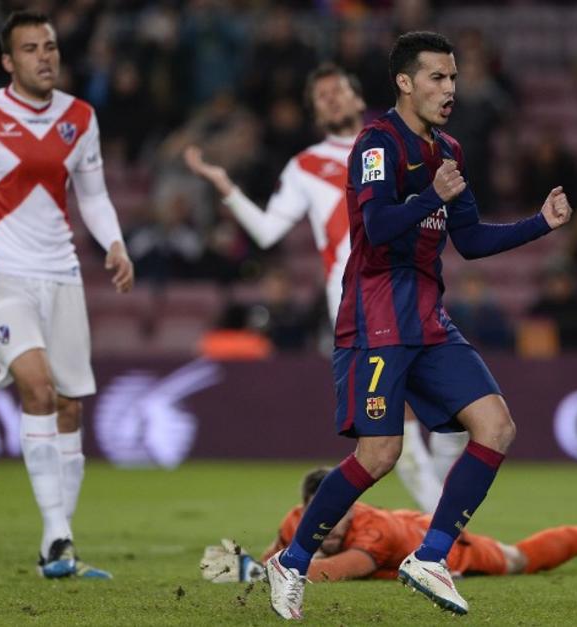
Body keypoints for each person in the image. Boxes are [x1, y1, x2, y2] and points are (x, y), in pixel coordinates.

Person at [264, 31, 573, 620]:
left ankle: (430, 557)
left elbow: (471, 240)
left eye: (453, 77)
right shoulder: (377, 144)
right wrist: (431, 194)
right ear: (405, 82)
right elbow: (377, 226)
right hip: (377, 316)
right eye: (437, 77)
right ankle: (293, 560)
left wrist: (540, 223)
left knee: (496, 427)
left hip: (429, 319)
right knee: (379, 454)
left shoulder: (449, 149)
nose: (450, 88)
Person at [183, 62, 465, 514]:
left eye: (338, 90)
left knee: (458, 417)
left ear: (358, 98)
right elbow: (268, 232)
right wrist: (225, 186)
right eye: (321, 95)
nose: (331, 98)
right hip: (360, 299)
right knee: (402, 423)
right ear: (315, 111)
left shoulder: (398, 142)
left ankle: (443, 522)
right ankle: (446, 532)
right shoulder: (305, 166)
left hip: (416, 288)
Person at [0, 11, 133, 579]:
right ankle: (58, 534)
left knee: (69, 406)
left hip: (61, 274)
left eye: (50, 46)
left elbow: (93, 196)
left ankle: (55, 550)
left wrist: (115, 244)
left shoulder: (79, 117)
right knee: (38, 388)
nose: (45, 57)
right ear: (8, 61)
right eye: (31, 49)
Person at [205, 467, 577, 583]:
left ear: (353, 509)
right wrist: (249, 566)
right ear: (304, 512)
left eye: (338, 515)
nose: (329, 527)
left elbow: (334, 571)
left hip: (439, 545)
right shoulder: (296, 521)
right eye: (321, 518)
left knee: (516, 560)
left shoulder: (372, 531)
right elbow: (271, 559)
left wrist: (250, 572)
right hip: (404, 525)